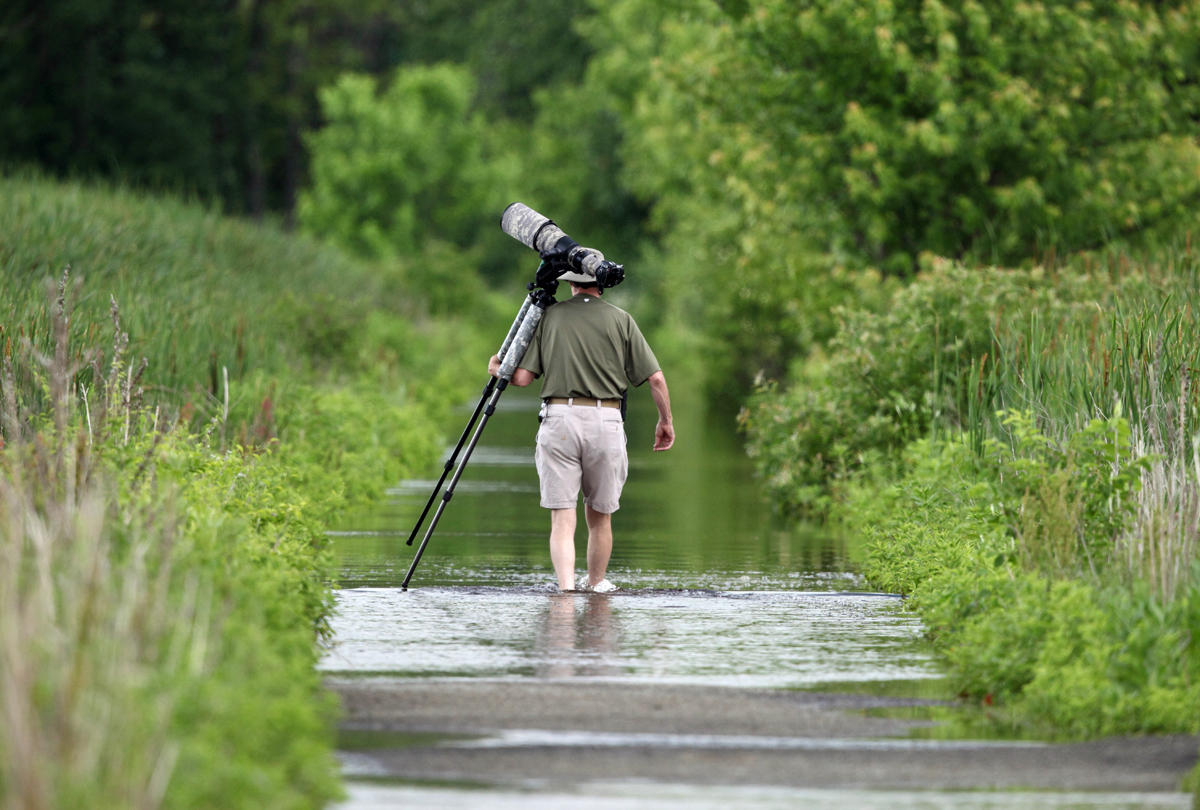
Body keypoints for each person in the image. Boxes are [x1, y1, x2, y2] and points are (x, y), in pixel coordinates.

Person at [488, 266, 674, 593]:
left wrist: (496, 368)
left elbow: (521, 378)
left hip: (559, 417)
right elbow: (656, 379)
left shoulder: (550, 317)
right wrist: (665, 422)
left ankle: (566, 591)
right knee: (600, 517)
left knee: (562, 519)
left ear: (571, 283)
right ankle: (597, 585)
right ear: (601, 284)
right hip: (607, 420)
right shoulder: (622, 319)